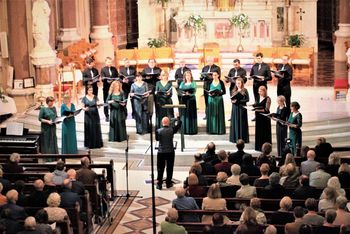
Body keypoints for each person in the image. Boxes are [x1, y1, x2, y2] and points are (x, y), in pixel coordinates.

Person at [156, 116, 182, 190]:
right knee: (169, 168)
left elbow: (157, 139)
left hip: (161, 152)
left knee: (160, 168)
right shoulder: (172, 130)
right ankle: (168, 183)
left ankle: (159, 184)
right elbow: (179, 124)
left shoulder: (158, 131)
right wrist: (178, 118)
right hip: (170, 152)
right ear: (169, 123)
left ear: (162, 123)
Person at [229, 78, 249, 143]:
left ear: (242, 83)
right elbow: (232, 99)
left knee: (242, 123)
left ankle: (242, 138)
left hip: (242, 108)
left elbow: (247, 99)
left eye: (239, 83)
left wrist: (239, 101)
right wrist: (233, 101)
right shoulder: (234, 90)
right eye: (237, 83)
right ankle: (235, 138)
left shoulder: (245, 90)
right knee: (235, 122)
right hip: (235, 108)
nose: (238, 85)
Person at [206, 71, 226, 135]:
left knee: (218, 114)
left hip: (218, 100)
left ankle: (219, 130)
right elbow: (207, 91)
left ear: (218, 75)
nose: (214, 76)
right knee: (212, 115)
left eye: (215, 75)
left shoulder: (221, 82)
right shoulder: (209, 82)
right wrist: (210, 93)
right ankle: (211, 130)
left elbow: (224, 92)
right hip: (211, 100)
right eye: (213, 75)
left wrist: (219, 92)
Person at [179, 70, 198, 135]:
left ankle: (192, 130)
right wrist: (183, 94)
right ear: (184, 76)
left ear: (191, 76)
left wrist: (189, 94)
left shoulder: (193, 83)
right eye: (186, 75)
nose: (187, 77)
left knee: (191, 114)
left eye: (189, 75)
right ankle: (185, 129)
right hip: (184, 100)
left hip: (191, 100)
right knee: (184, 115)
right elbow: (180, 91)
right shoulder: (182, 83)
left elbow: (194, 91)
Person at [253, 86, 272, 151]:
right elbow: (256, 104)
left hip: (264, 118)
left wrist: (256, 110)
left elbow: (266, 109)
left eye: (260, 91)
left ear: (264, 91)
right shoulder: (258, 97)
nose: (259, 92)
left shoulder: (268, 99)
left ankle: (266, 148)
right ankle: (258, 147)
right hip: (258, 118)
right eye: (258, 91)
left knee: (264, 132)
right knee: (259, 132)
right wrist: (250, 106)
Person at [100, 57, 118, 121]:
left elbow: (117, 77)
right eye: (108, 62)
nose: (109, 63)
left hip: (113, 88)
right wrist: (106, 80)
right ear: (105, 62)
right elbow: (102, 78)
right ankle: (106, 116)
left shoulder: (114, 69)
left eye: (110, 62)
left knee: (114, 101)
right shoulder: (103, 69)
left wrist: (114, 80)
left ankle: (113, 115)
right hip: (106, 88)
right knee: (106, 101)